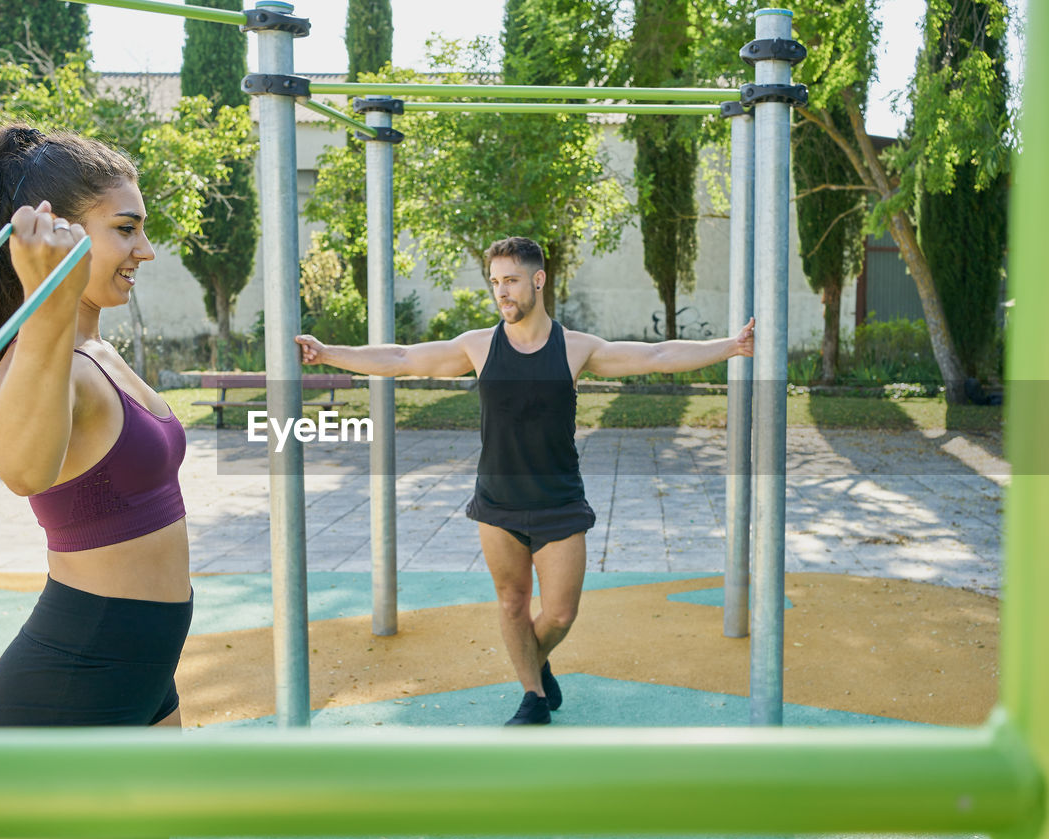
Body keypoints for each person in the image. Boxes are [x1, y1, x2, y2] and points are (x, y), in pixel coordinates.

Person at [296, 236, 754, 726]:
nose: (502, 292)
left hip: (559, 501)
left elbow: (658, 356)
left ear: (538, 280)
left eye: (511, 281)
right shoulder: (479, 346)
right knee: (512, 602)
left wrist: (731, 346)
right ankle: (533, 696)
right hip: (497, 501)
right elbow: (403, 359)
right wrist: (328, 354)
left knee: (559, 614)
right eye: (495, 283)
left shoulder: (575, 348)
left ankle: (536, 660)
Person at [0, 124, 190, 839]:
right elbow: (22, 470)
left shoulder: (94, 347)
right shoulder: (42, 359)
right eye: (126, 229)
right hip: (73, 687)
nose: (146, 249)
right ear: (61, 235)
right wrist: (46, 295)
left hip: (142, 674)